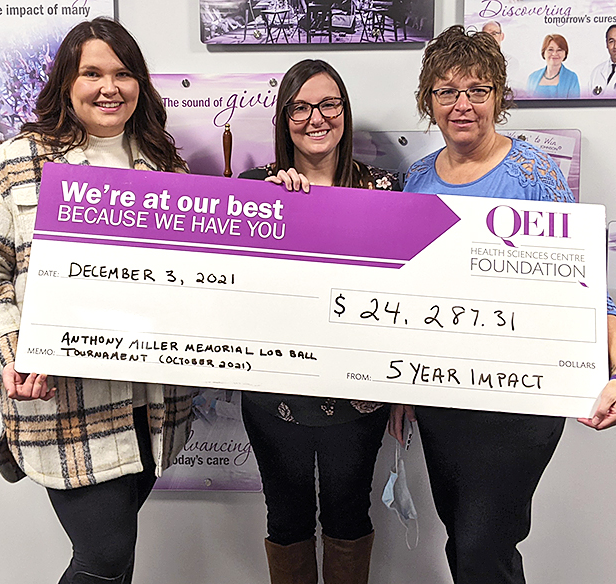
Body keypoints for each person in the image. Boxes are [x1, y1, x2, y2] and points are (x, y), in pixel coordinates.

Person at [0, 18, 195, 584]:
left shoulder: (165, 167)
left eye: (123, 73)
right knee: (105, 557)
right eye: (92, 73)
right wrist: (16, 353)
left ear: (141, 85)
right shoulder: (15, 164)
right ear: (66, 82)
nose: (109, 87)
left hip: (151, 405)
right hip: (64, 403)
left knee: (117, 555)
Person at [390, 26, 616, 584]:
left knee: (482, 544)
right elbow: (403, 294)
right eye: (446, 91)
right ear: (428, 100)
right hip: (442, 393)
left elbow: (583, 281)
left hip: (521, 399)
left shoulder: (534, 174)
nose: (462, 104)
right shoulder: (418, 181)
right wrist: (398, 384)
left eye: (477, 89)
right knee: (464, 540)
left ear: (499, 95)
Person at [237, 59, 399, 584]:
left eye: (329, 104)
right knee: (285, 520)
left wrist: (406, 388)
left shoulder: (386, 192)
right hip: (274, 393)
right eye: (300, 107)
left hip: (358, 397)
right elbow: (233, 288)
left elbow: (405, 300)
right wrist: (274, 205)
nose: (316, 118)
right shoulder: (255, 190)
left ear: (345, 114)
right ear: (284, 119)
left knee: (349, 516)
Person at [526, 34, 579, 99]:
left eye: (559, 50)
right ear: (544, 53)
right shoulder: (532, 78)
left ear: (565, 53)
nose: (554, 54)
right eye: (550, 50)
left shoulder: (572, 78)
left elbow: (574, 107)